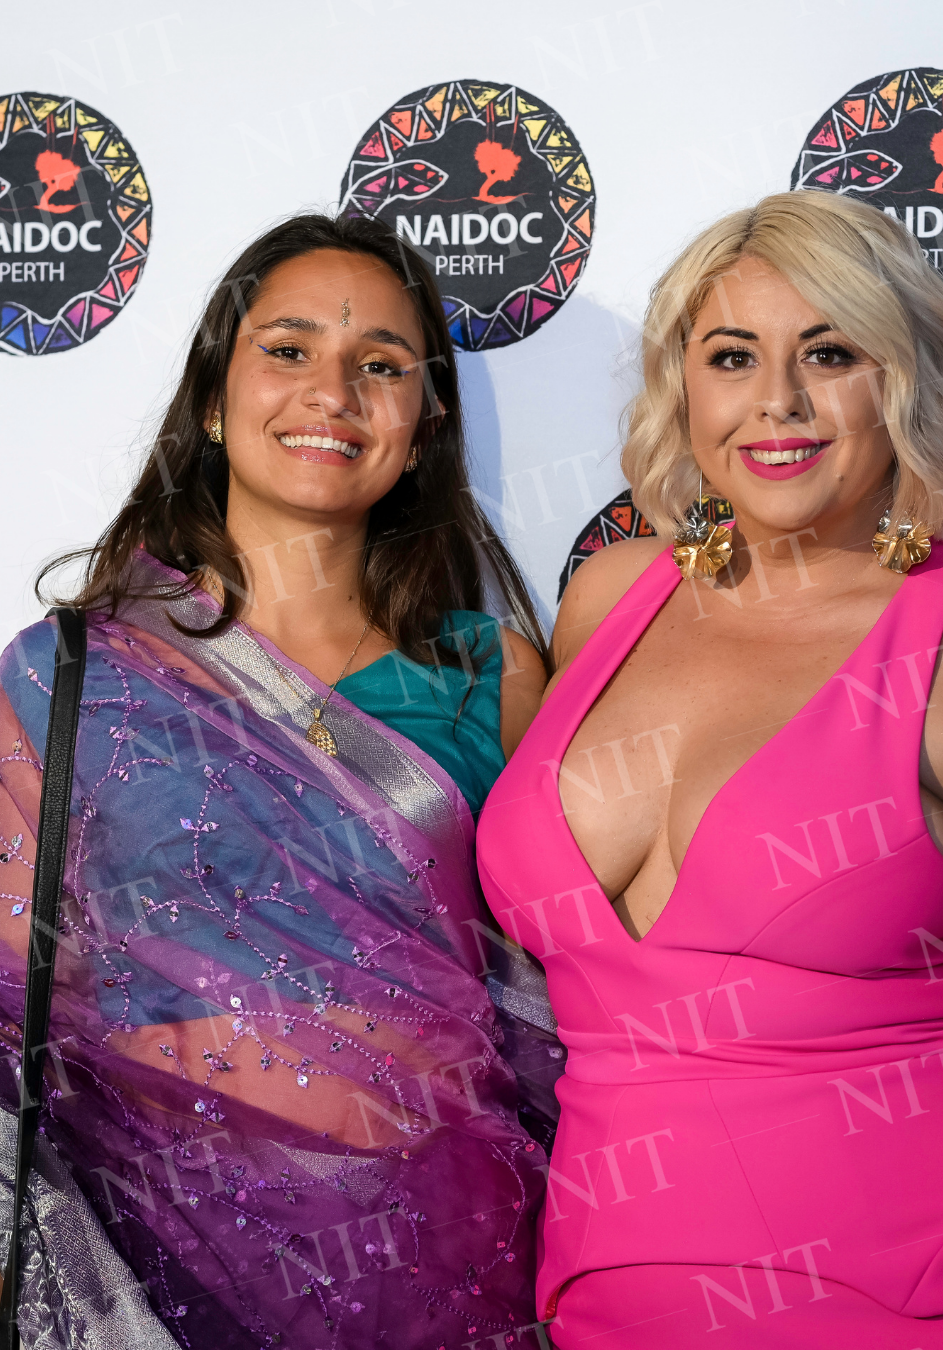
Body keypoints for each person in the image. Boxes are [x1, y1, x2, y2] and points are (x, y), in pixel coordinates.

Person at [477, 191, 943, 1347]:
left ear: (901, 383)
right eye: (732, 356)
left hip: (938, 1314)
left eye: (831, 353)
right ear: (683, 385)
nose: (779, 401)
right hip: (603, 1311)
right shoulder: (608, 598)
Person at [0, 212, 556, 1347]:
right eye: (289, 349)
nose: (333, 393)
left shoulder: (491, 675)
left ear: (425, 422)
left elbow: (558, 989)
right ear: (214, 398)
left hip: (453, 1263)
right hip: (159, 1269)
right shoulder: (65, 676)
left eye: (382, 366)